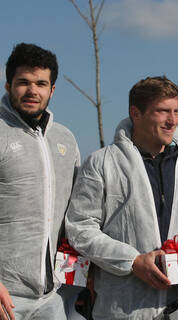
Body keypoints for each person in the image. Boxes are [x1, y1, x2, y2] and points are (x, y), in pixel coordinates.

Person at [65, 76, 178, 320]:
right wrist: (133, 261)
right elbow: (80, 228)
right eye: (162, 111)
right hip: (122, 308)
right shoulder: (102, 163)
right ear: (136, 113)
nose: (172, 120)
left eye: (176, 111)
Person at [0, 43, 80, 320]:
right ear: (8, 84)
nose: (33, 91)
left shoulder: (65, 140)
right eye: (23, 82)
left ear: (52, 90)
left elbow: (78, 214)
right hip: (5, 297)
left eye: (41, 83)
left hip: (51, 298)